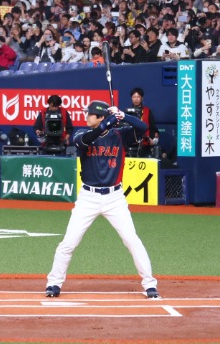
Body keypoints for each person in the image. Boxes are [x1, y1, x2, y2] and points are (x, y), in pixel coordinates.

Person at [45, 101, 158, 299]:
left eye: (90, 114)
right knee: (69, 242)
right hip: (88, 197)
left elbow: (142, 127)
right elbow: (88, 139)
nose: (86, 116)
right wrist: (108, 122)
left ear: (99, 117)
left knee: (132, 240)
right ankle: (54, 283)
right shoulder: (82, 134)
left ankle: (150, 284)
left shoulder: (120, 135)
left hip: (115, 198)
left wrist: (122, 115)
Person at [125, 87, 160, 158]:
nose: (136, 99)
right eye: (134, 97)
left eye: (138, 97)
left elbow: (153, 127)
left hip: (145, 145)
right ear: (131, 98)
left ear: (142, 98)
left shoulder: (147, 111)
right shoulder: (127, 112)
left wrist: (154, 140)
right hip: (131, 145)